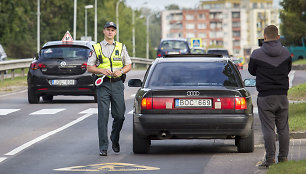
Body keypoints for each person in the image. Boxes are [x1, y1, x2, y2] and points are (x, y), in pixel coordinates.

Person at [248, 25, 292, 168]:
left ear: (264, 37)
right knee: (284, 128)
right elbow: (288, 69)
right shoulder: (286, 53)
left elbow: (252, 71)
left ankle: (270, 159)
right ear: (278, 36)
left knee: (268, 129)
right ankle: (283, 158)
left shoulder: (256, 54)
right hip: (282, 96)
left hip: (266, 97)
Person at [87, 21, 132, 156]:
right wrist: (101, 70)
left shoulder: (121, 47)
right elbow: (89, 67)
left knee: (119, 116)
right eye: (108, 29)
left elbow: (129, 65)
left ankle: (114, 137)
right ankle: (103, 147)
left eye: (113, 30)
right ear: (104, 31)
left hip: (117, 84)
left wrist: (122, 71)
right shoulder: (96, 48)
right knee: (103, 116)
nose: (110, 32)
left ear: (115, 32)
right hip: (103, 85)